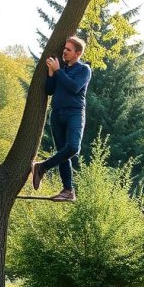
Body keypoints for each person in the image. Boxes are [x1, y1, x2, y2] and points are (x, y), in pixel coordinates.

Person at [31, 36, 92, 201]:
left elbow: (74, 87)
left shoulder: (84, 69)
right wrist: (52, 74)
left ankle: (42, 167)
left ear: (78, 53)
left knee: (72, 147)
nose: (64, 51)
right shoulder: (61, 69)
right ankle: (67, 190)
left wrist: (57, 71)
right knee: (63, 153)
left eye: (68, 50)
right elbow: (49, 90)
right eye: (64, 49)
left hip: (74, 113)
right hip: (57, 115)